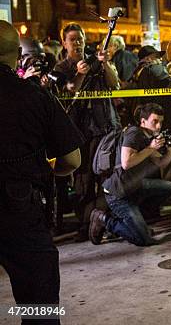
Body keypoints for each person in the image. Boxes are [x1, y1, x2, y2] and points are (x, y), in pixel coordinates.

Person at [0, 20, 83, 321]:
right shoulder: (34, 97)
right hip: (21, 211)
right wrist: (47, 170)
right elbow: (72, 160)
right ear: (17, 55)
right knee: (40, 306)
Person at [53, 22, 121, 242]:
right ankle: (85, 223)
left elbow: (115, 85)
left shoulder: (96, 61)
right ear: (64, 43)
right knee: (83, 179)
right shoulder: (61, 68)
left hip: (102, 127)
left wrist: (106, 64)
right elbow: (68, 90)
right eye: (72, 39)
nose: (78, 43)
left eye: (80, 39)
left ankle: (102, 220)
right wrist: (80, 74)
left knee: (105, 175)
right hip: (78, 130)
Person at [89, 103, 171, 246]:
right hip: (118, 193)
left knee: (170, 188)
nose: (159, 126)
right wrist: (150, 148)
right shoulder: (134, 133)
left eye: (161, 122)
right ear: (143, 121)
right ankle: (104, 219)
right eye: (155, 121)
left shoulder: (149, 137)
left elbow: (160, 163)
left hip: (134, 187)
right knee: (144, 240)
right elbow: (126, 162)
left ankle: (136, 222)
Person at [131, 45, 171, 215]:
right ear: (148, 58)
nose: (159, 59)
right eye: (156, 56)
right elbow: (166, 82)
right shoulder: (152, 69)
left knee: (152, 162)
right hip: (166, 120)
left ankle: (153, 205)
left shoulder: (137, 74)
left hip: (149, 123)